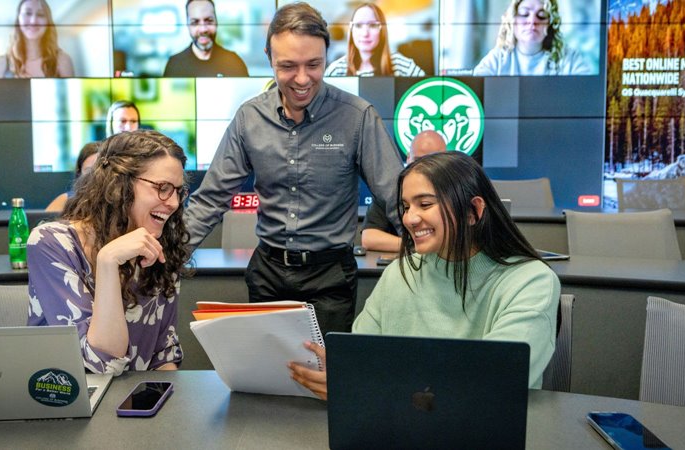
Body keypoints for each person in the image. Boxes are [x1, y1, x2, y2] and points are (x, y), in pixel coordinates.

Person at [183, 3, 404, 334]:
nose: (302, 79)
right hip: (268, 274)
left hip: (330, 279)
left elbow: (397, 197)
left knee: (322, 368)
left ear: (327, 55)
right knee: (265, 367)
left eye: (313, 64)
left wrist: (436, 256)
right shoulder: (249, 118)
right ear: (269, 58)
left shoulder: (357, 117)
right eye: (287, 66)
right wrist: (168, 258)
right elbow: (211, 199)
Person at [290, 152, 560, 399]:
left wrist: (365, 383)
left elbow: (494, 378)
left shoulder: (530, 281)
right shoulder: (400, 273)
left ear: (473, 211)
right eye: (406, 206)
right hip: (393, 425)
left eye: (425, 204)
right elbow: (361, 359)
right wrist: (341, 370)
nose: (409, 219)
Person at [27, 130, 190, 374]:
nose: (174, 203)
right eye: (163, 188)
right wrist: (108, 260)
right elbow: (102, 363)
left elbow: (163, 356)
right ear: (118, 185)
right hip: (71, 395)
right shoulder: (52, 242)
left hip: (138, 395)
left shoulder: (159, 243)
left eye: (178, 191)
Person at [361, 130, 447, 252]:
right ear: (408, 158)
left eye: (433, 161)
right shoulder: (389, 191)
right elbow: (369, 238)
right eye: (406, 207)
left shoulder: (458, 190)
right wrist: (417, 245)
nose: (425, 168)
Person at [473, 0, 591, 76]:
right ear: (512, 21)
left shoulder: (568, 58)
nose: (532, 21)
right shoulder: (498, 59)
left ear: (550, 25)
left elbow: (588, 90)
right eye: (524, 14)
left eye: (541, 16)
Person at [324, 3, 425, 77]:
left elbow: (429, 90)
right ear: (351, 30)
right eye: (358, 25)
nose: (365, 33)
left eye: (372, 25)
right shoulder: (336, 70)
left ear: (382, 30)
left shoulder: (401, 66)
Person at [163, 0, 249, 77]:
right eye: (195, 22)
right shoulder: (174, 65)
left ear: (216, 22)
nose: (203, 29)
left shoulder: (234, 62)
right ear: (188, 25)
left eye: (209, 21)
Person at [0, 0, 75, 78]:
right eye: (28, 13)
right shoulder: (2, 63)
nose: (33, 21)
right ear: (18, 19)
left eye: (40, 15)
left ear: (48, 22)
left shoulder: (63, 61)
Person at [44, 141, 99, 213]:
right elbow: (42, 220)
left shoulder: (113, 202)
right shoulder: (66, 200)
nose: (93, 175)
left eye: (98, 169)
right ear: (79, 173)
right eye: (88, 170)